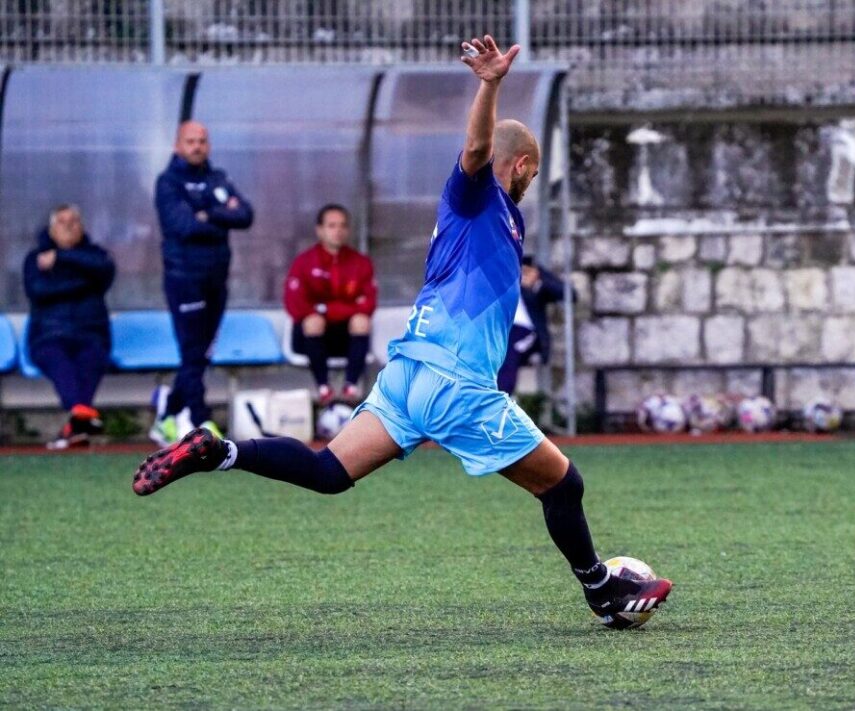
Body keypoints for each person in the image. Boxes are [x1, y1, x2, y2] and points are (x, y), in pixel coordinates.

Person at [131, 35, 671, 625]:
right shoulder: (478, 199)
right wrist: (489, 84)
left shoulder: (498, 222)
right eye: (531, 175)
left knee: (329, 471)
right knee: (564, 486)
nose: (529, 184)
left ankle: (220, 452)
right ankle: (602, 591)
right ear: (520, 165)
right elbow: (474, 151)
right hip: (455, 385)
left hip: (406, 377)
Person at [151, 120, 254, 444]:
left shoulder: (218, 179)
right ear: (177, 145)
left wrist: (206, 215)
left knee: (204, 353)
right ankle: (200, 418)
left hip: (216, 278)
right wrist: (218, 214)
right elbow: (183, 226)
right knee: (193, 351)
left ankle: (167, 412)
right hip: (184, 278)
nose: (197, 146)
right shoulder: (168, 182)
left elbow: (246, 216)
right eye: (190, 141)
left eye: (202, 141)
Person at [23, 205, 114, 449]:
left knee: (92, 358)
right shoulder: (35, 258)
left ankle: (76, 421)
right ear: (52, 229)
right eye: (62, 222)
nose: (69, 226)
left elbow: (105, 270)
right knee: (58, 360)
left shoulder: (95, 255)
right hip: (48, 335)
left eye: (74, 221)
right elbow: (38, 291)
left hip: (91, 333)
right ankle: (81, 413)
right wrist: (83, 283)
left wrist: (62, 258)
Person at [284, 204, 377, 405]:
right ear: (320, 230)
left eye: (343, 226)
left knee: (361, 321)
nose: (338, 231)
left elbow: (369, 303)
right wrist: (343, 309)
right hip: (313, 337)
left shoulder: (360, 263)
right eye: (332, 225)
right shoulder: (304, 262)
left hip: (345, 337)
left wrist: (325, 308)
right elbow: (295, 303)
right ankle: (323, 388)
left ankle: (351, 387)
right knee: (313, 321)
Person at [497, 257, 567, 395]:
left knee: (509, 350)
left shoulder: (530, 271)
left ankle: (500, 399)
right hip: (499, 330)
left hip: (526, 332)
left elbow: (569, 294)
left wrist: (538, 282)